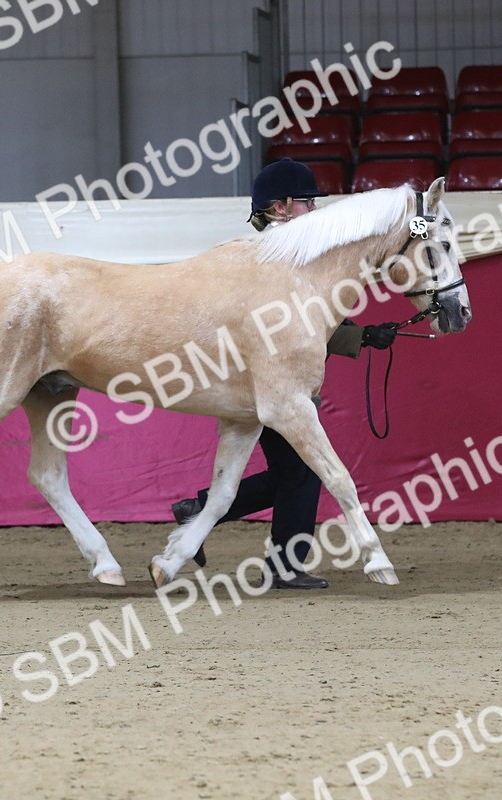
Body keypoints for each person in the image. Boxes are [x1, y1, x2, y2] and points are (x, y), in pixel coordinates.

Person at [170, 158, 398, 589]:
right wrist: (361, 338)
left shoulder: (285, 258)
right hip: (274, 383)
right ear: (282, 208)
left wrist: (363, 337)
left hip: (268, 380)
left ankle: (204, 512)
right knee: (302, 471)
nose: (314, 212)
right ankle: (280, 562)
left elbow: (312, 322)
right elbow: (297, 324)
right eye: (308, 203)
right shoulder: (276, 261)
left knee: (294, 472)